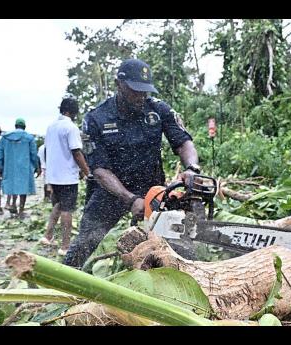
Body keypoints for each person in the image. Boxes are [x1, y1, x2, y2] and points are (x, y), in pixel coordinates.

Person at [64, 58, 200, 268]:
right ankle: (64, 283)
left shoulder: (158, 110)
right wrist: (129, 199)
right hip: (110, 192)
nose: (141, 96)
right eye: (135, 90)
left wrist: (192, 168)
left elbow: (183, 142)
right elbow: (99, 170)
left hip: (151, 189)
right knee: (85, 242)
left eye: (145, 91)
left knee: (167, 245)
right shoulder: (97, 118)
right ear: (119, 84)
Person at [40, 98, 91, 256]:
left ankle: (47, 236)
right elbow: (76, 151)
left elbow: (48, 150)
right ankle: (65, 245)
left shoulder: (51, 127)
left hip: (53, 175)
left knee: (59, 204)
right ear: (72, 112)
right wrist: (87, 172)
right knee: (67, 209)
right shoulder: (71, 127)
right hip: (67, 176)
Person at [0, 118, 38, 218]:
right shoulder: (29, 138)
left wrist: (0, 167)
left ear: (15, 126)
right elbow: (33, 153)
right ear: (24, 126)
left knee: (12, 185)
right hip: (24, 167)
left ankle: (13, 204)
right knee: (23, 188)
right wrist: (35, 166)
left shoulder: (5, 138)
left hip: (9, 166)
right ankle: (21, 210)